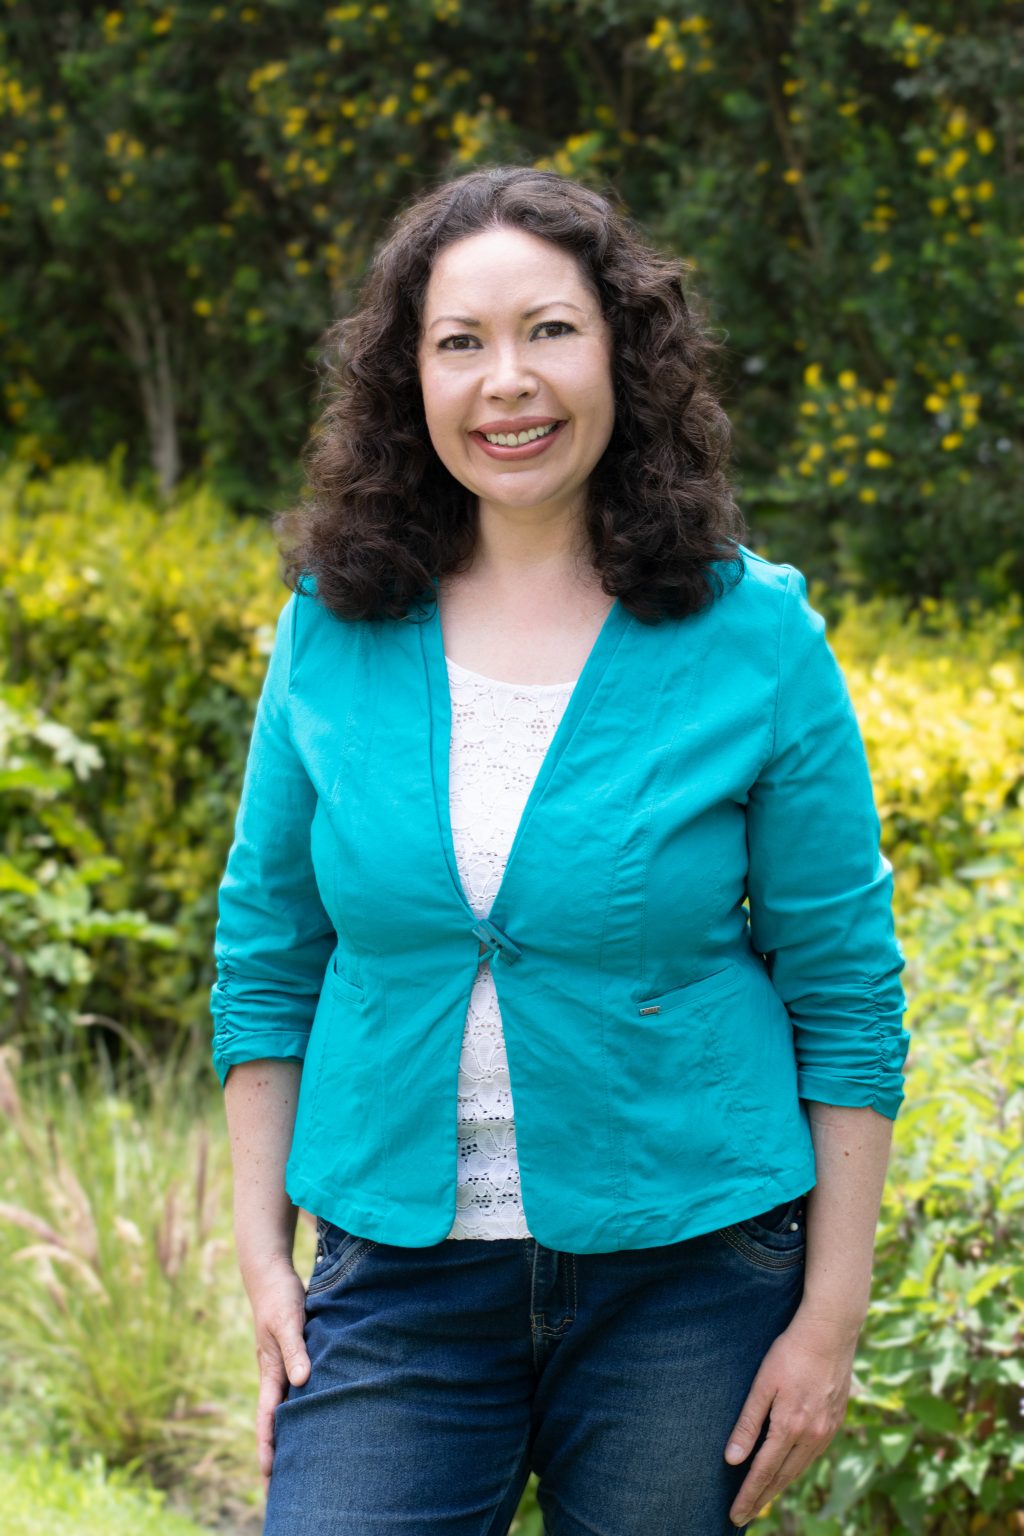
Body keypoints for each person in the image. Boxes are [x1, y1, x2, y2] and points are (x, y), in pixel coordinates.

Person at [210, 166, 910, 1536]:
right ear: (409, 380)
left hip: (693, 1278)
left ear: (622, 355)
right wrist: (261, 1257)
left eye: (550, 330)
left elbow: (844, 988)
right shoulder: (328, 629)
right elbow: (266, 959)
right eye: (459, 342)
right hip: (394, 1274)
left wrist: (830, 1318)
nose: (507, 383)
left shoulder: (759, 637)